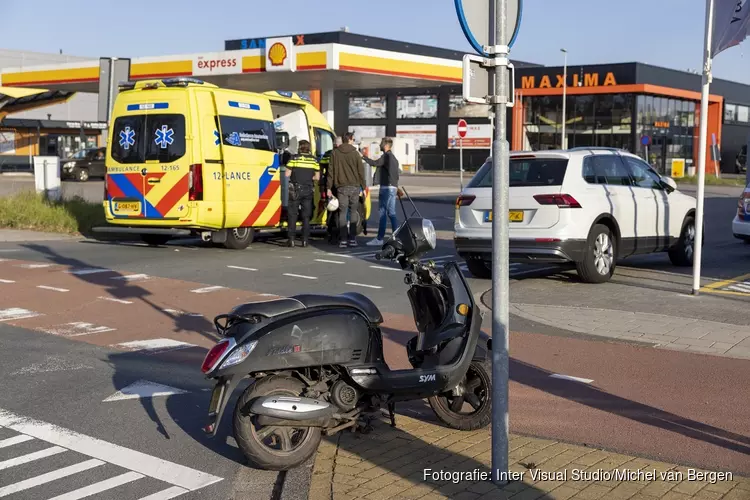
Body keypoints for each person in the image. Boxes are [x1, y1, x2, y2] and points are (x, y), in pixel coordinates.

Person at [327, 132, 366, 248]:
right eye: (353, 139)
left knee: (342, 212)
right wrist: (363, 187)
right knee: (353, 212)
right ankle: (352, 239)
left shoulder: (335, 153)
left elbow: (331, 172)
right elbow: (361, 172)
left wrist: (329, 188)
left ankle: (343, 239)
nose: (353, 141)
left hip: (341, 187)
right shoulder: (355, 154)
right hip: (354, 187)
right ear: (350, 140)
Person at [363, 137, 400, 246]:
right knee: (392, 213)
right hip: (393, 187)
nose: (380, 145)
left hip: (386, 188)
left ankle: (379, 238)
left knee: (383, 213)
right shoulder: (394, 159)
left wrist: (363, 157)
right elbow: (396, 175)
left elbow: (374, 163)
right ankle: (396, 237)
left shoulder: (386, 157)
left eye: (381, 144)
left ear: (386, 146)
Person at [285, 140, 320, 248]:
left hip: (295, 189)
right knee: (306, 216)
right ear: (308, 148)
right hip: (308, 190)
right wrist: (309, 178)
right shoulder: (314, 160)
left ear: (299, 147)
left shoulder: (294, 158)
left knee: (292, 215)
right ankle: (305, 240)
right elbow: (317, 177)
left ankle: (291, 240)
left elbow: (287, 174)